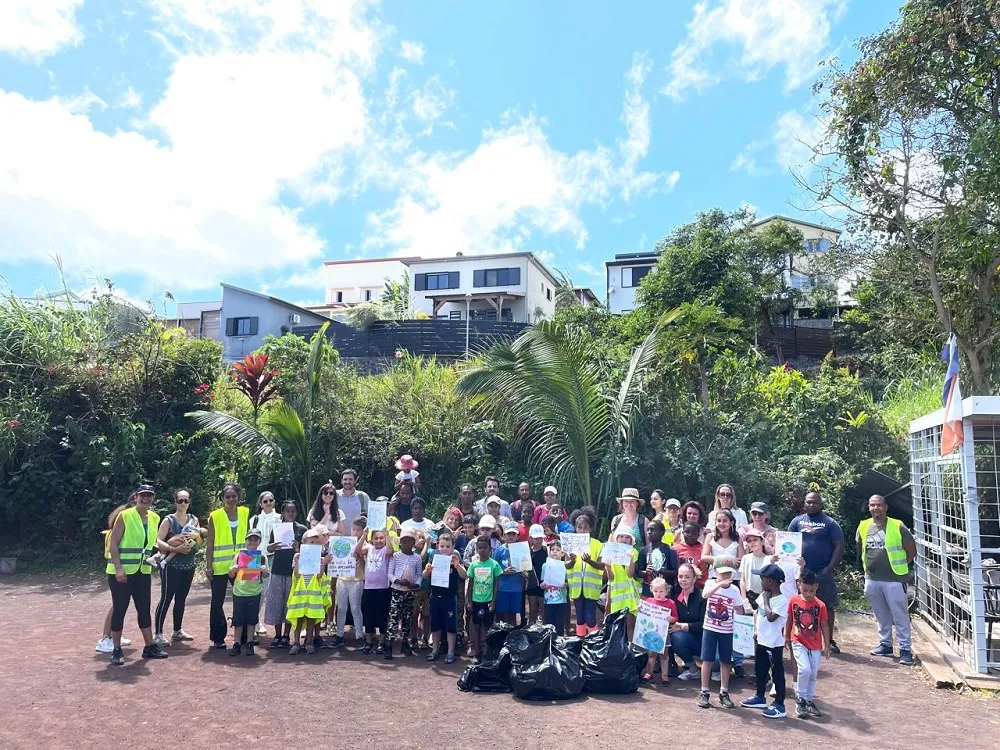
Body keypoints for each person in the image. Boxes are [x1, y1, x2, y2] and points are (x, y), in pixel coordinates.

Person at [106, 484, 169, 665]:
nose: (146, 498)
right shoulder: (125, 516)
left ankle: (149, 646)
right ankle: (116, 649)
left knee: (144, 609)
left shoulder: (155, 517)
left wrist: (159, 554)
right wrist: (119, 568)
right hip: (122, 572)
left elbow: (151, 543)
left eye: (149, 495)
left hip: (143, 571)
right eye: (143, 495)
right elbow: (113, 544)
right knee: (120, 609)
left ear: (153, 498)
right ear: (136, 497)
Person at [856, 493, 916, 665]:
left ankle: (905, 649)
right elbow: (860, 548)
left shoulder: (897, 526)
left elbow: (911, 549)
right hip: (872, 578)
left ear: (885, 507)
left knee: (900, 615)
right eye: (872, 505)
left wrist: (903, 566)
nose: (876, 508)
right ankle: (885, 644)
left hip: (894, 579)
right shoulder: (863, 526)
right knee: (881, 614)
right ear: (869, 507)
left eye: (879, 505)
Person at [788, 490, 844, 653]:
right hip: (802, 572)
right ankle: (801, 638)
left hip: (822, 572)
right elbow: (788, 543)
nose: (811, 505)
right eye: (809, 502)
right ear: (804, 503)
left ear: (820, 504)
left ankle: (829, 640)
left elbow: (839, 545)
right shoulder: (797, 521)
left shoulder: (830, 523)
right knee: (800, 605)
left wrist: (829, 568)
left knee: (827, 606)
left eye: (815, 502)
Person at [152, 488, 201, 646]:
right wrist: (174, 548)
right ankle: (158, 634)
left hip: (188, 564)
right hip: (171, 565)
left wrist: (196, 537)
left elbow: (199, 542)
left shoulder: (194, 520)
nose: (183, 503)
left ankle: (177, 631)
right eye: (180, 500)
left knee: (181, 599)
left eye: (186, 500)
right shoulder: (168, 520)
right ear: (175, 502)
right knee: (166, 598)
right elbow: (158, 541)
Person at [740, 564, 789, 719]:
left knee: (777, 673)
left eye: (762, 579)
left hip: (774, 644)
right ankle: (759, 696)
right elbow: (758, 610)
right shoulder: (764, 595)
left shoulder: (781, 601)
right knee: (760, 669)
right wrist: (753, 599)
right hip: (761, 640)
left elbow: (771, 617)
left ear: (771, 581)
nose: (760, 582)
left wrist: (766, 600)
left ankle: (779, 704)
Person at [205, 482, 250, 649]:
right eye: (227, 497)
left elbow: (251, 539)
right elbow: (210, 542)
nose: (231, 499)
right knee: (217, 602)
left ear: (238, 497)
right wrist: (208, 566)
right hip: (220, 565)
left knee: (243, 598)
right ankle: (218, 637)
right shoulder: (215, 516)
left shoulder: (245, 513)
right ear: (222, 498)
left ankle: (243, 635)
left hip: (242, 563)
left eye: (234, 496)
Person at [703, 509, 745, 676]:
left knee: (736, 620)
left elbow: (741, 560)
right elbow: (704, 557)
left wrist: (730, 563)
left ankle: (738, 661)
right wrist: (727, 560)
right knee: (716, 622)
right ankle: (714, 661)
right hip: (714, 582)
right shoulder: (710, 537)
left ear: (732, 522)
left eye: (725, 521)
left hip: (733, 582)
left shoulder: (737, 538)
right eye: (719, 521)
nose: (722, 524)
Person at [697, 557, 743, 709]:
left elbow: (739, 608)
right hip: (710, 628)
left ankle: (724, 691)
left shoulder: (734, 590)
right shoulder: (710, 583)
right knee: (707, 660)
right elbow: (705, 595)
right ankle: (704, 691)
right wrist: (719, 585)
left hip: (727, 630)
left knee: (726, 661)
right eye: (722, 573)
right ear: (715, 571)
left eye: (728, 573)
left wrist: (742, 619)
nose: (725, 576)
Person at [785, 569, 831, 718]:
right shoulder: (794, 601)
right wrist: (786, 636)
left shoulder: (820, 605)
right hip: (798, 641)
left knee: (813, 673)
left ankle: (809, 701)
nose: (809, 594)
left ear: (816, 587)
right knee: (804, 670)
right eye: (805, 590)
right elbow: (789, 619)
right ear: (799, 585)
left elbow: (824, 625)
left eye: (812, 591)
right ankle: (800, 699)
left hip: (815, 645)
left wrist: (827, 645)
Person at [263, 501, 306, 648]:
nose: (290, 513)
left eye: (293, 511)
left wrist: (297, 548)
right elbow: (269, 548)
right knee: (276, 603)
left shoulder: (302, 529)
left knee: (290, 603)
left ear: (296, 512)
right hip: (277, 570)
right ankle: (277, 635)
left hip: (294, 572)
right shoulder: (277, 528)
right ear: (283, 513)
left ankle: (286, 635)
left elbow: (307, 552)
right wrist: (273, 546)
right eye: (288, 511)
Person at [97, 496, 136, 654]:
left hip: (128, 570)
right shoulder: (119, 526)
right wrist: (120, 569)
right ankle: (105, 639)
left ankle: (113, 636)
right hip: (118, 571)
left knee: (120, 605)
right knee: (117, 605)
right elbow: (113, 551)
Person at [286, 527, 332, 655]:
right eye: (311, 542)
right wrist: (296, 562)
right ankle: (296, 643)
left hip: (313, 596)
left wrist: (323, 564)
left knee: (311, 620)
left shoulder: (320, 559)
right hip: (300, 596)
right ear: (304, 543)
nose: (314, 545)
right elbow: (296, 575)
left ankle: (309, 642)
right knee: (299, 620)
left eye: (316, 543)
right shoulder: (298, 556)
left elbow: (319, 576)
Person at [423, 531, 467, 663]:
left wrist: (457, 565)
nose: (444, 549)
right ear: (437, 546)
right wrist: (428, 570)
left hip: (450, 598)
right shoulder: (433, 556)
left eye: (448, 546)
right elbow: (424, 576)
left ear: (453, 546)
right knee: (435, 625)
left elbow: (464, 575)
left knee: (451, 626)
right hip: (435, 596)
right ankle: (435, 650)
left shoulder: (455, 557)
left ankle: (450, 652)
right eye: (442, 546)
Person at [228, 527, 269, 656]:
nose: (252, 542)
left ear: (259, 542)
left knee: (252, 620)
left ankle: (249, 643)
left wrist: (264, 570)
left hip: (255, 592)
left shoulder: (262, 557)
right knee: (238, 620)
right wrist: (233, 569)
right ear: (246, 541)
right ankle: (237, 644)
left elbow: (266, 575)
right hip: (239, 592)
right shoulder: (239, 556)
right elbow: (230, 573)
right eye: (250, 539)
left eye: (255, 540)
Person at [385, 528, 423, 659]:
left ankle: (405, 642)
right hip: (397, 591)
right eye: (404, 541)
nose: (407, 544)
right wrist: (398, 581)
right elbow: (390, 573)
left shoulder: (417, 558)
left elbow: (419, 575)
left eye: (410, 541)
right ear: (400, 543)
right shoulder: (396, 556)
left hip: (410, 592)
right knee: (393, 616)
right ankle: (389, 643)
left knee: (408, 617)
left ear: (413, 543)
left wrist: (415, 584)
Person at [566, 507, 604, 636]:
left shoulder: (598, 544)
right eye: (579, 527)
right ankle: (580, 641)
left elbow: (602, 566)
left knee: (590, 618)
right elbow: (567, 566)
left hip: (591, 588)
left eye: (586, 527)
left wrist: (590, 561)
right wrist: (571, 561)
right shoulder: (571, 543)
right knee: (580, 618)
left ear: (591, 528)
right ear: (575, 528)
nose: (582, 530)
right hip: (576, 587)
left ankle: (595, 642)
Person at [331, 517, 366, 649]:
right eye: (353, 529)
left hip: (356, 580)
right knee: (341, 608)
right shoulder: (344, 542)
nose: (355, 532)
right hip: (342, 579)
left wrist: (360, 557)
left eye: (358, 530)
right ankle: (339, 635)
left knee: (356, 608)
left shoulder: (365, 545)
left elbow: (364, 559)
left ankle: (359, 636)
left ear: (363, 532)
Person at [466, 535, 503, 662]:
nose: (482, 550)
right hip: (476, 601)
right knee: (476, 626)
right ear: (476, 549)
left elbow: (496, 584)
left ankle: (487, 651)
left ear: (490, 549)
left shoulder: (494, 564)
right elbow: (470, 584)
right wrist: (469, 601)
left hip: (488, 601)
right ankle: (477, 652)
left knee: (487, 627)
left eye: (485, 548)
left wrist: (493, 601)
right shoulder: (473, 565)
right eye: (480, 548)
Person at [249, 490, 280, 637]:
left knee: (266, 591)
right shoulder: (254, 519)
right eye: (265, 501)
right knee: (254, 588)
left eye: (271, 500)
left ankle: (255, 620)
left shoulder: (280, 518)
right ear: (260, 504)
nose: (268, 503)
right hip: (256, 556)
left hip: (274, 557)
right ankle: (253, 621)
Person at [357, 528, 393, 654]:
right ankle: (369, 641)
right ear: (372, 540)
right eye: (376, 538)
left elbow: (390, 551)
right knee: (368, 615)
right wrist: (364, 535)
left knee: (382, 615)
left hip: (383, 588)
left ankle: (382, 642)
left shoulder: (386, 549)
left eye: (381, 538)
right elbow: (357, 550)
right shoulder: (369, 548)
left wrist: (387, 535)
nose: (379, 540)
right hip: (368, 588)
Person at [670, 563, 706, 680]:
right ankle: (693, 669)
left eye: (687, 577)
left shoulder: (703, 596)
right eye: (680, 576)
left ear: (694, 578)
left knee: (716, 663)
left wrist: (684, 626)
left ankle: (711, 668)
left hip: (705, 640)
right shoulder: (675, 598)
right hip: (687, 638)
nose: (683, 580)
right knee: (675, 637)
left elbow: (704, 624)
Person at [640, 577, 677, 687]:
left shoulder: (670, 603)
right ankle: (648, 673)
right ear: (652, 590)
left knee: (664, 655)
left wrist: (671, 619)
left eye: (661, 591)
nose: (658, 594)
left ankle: (665, 676)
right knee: (651, 654)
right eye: (656, 591)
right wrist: (640, 609)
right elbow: (643, 614)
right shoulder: (649, 601)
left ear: (666, 591)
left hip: (664, 633)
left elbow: (675, 617)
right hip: (652, 633)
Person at [605, 525, 640, 639]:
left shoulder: (633, 552)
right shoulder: (610, 552)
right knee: (617, 623)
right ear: (617, 538)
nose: (624, 539)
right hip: (616, 594)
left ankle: (630, 647)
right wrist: (608, 567)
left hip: (630, 593)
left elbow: (630, 574)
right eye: (621, 536)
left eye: (627, 537)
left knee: (630, 622)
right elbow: (611, 578)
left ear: (631, 540)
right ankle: (617, 647)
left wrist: (631, 560)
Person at [493, 522, 527, 626]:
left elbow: (526, 568)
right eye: (509, 534)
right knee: (502, 616)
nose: (511, 536)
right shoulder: (499, 551)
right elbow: (493, 569)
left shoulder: (522, 550)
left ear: (517, 536)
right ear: (504, 535)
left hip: (516, 588)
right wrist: (503, 572)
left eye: (513, 534)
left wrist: (525, 573)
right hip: (502, 588)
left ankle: (512, 634)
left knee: (513, 616)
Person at [636, 520, 679, 597]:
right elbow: (638, 573)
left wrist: (661, 571)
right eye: (648, 530)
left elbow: (675, 572)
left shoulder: (670, 550)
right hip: (648, 592)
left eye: (652, 530)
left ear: (662, 532)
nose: (649, 532)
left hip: (666, 593)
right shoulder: (644, 551)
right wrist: (646, 572)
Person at [541, 539, 568, 634]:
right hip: (548, 600)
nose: (555, 551)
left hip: (561, 600)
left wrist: (566, 584)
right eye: (552, 549)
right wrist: (542, 585)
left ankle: (559, 640)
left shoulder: (565, 566)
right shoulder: (545, 566)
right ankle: (550, 641)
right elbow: (542, 583)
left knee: (560, 624)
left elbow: (568, 582)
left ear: (562, 553)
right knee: (550, 624)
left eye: (558, 550)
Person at [673, 521, 708, 586]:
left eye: (693, 533)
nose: (690, 535)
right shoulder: (675, 549)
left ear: (698, 534)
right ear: (683, 533)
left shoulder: (704, 549)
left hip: (700, 585)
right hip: (680, 586)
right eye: (687, 532)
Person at [525, 524, 547, 625]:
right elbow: (524, 568)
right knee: (532, 611)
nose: (539, 541)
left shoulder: (546, 550)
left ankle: (546, 630)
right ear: (531, 538)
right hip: (532, 584)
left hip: (544, 584)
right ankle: (531, 630)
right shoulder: (527, 552)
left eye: (540, 538)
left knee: (544, 610)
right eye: (536, 538)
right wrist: (524, 574)